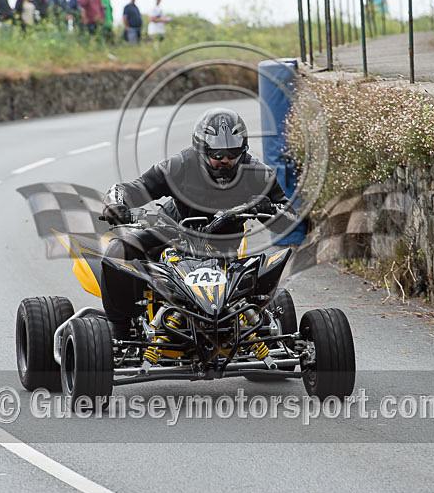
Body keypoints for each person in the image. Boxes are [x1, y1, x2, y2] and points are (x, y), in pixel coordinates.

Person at [100, 108, 297, 339]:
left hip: (225, 248)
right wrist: (115, 205)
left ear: (243, 150)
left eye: (232, 153)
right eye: (217, 154)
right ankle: (120, 330)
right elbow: (129, 189)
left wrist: (269, 209)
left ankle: (256, 325)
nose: (225, 160)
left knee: (268, 269)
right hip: (171, 236)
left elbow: (291, 221)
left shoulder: (259, 174)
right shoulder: (178, 166)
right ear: (202, 150)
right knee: (117, 250)